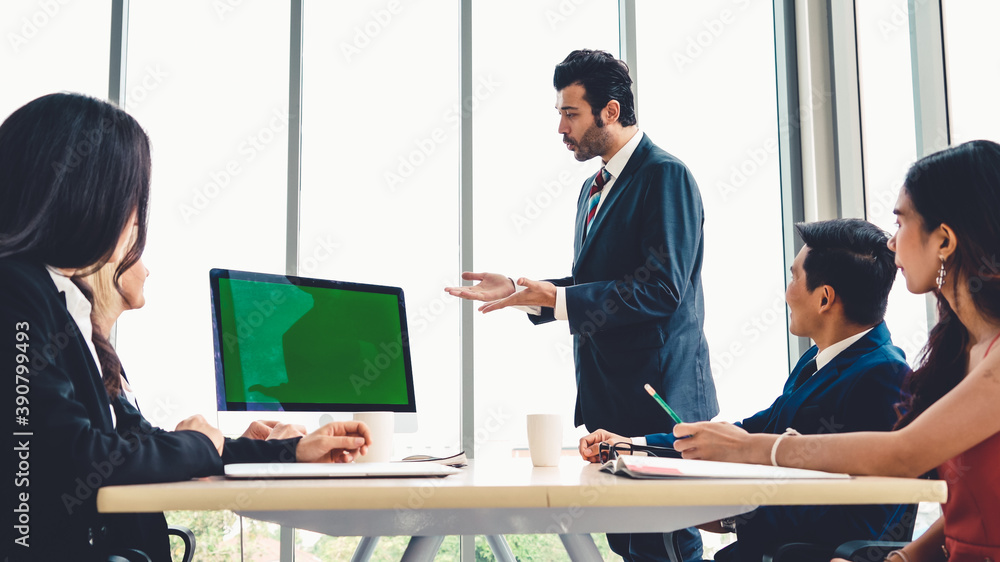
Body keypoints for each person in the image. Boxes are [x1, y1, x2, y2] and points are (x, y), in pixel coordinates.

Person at [1, 93, 371, 562]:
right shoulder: (15, 290)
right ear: (83, 194)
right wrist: (199, 442)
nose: (135, 221)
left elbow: (133, 444)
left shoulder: (57, 302)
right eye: (130, 200)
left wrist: (293, 451)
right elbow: (78, 459)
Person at [446, 49, 719, 562]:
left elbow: (662, 289)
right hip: (612, 404)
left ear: (610, 112)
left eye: (570, 114)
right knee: (630, 548)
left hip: (657, 401)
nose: (561, 128)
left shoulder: (665, 176)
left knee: (664, 548)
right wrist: (519, 290)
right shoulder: (592, 189)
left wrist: (564, 297)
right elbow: (596, 284)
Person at [670, 140, 1000, 562]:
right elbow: (966, 510)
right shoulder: (963, 350)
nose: (893, 244)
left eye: (901, 224)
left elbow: (903, 453)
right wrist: (901, 559)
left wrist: (754, 448)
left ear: (945, 240)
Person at [580, 218, 912, 562]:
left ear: (824, 298)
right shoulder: (818, 359)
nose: (788, 291)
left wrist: (733, 516)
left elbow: (862, 521)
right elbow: (748, 434)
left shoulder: (885, 375)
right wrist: (631, 446)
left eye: (795, 277)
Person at [85, 249, 307, 442]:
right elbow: (128, 454)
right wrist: (196, 443)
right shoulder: (85, 359)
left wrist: (247, 447)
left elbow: (141, 443)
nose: (147, 270)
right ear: (109, 260)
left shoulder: (106, 358)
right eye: (137, 253)